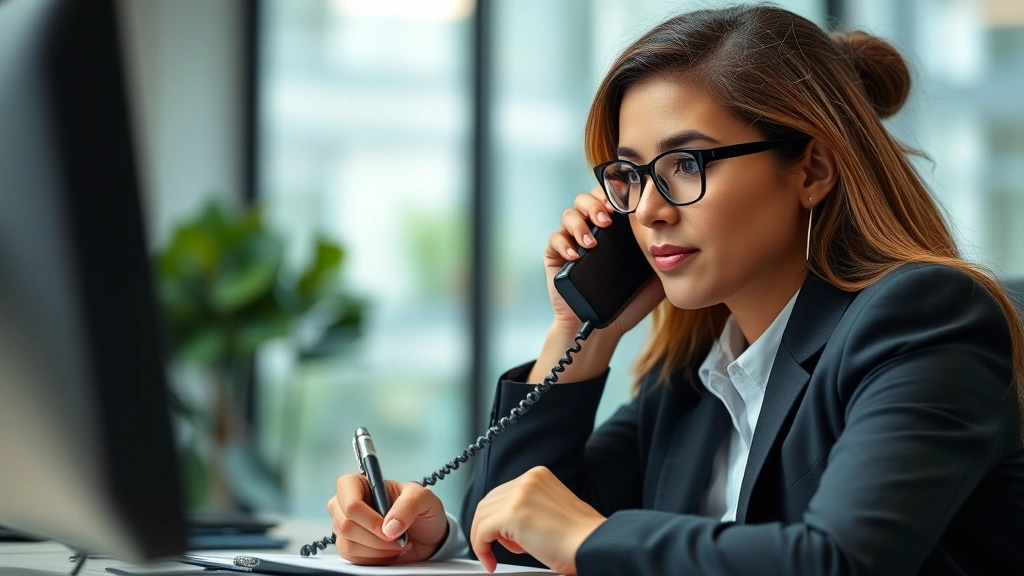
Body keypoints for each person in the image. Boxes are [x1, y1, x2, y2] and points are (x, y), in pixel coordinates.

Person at [326, 5, 1024, 575]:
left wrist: (588, 536)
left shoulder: (923, 321)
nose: (649, 209)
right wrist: (581, 332)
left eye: (686, 163)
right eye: (630, 175)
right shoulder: (695, 376)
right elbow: (516, 539)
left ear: (812, 169)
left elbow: (839, 561)